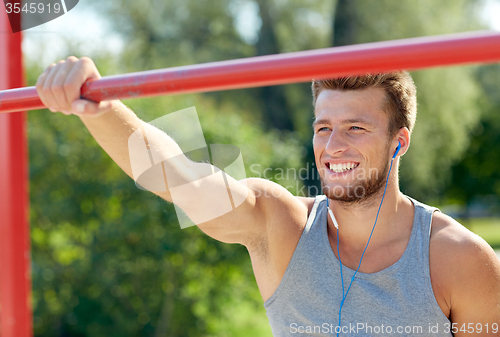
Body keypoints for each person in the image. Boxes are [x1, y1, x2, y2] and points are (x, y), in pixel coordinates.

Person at [36, 56, 500, 336]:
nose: (334, 145)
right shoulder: (282, 226)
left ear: (399, 142)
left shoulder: (458, 259)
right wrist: (97, 109)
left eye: (356, 127)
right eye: (324, 128)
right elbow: (180, 178)